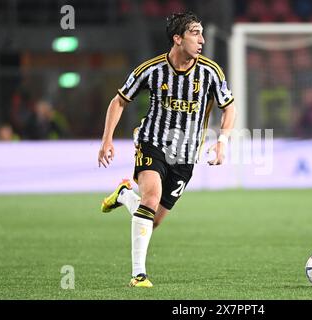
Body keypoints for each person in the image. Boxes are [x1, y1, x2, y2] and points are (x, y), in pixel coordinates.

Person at [97, 12, 236, 288]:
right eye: (195, 33)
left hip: (186, 156)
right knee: (150, 199)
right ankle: (138, 275)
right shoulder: (151, 69)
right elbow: (119, 101)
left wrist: (222, 143)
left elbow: (228, 107)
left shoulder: (210, 72)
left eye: (202, 33)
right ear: (177, 38)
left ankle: (125, 195)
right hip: (153, 142)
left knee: (153, 220)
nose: (202, 40)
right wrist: (107, 139)